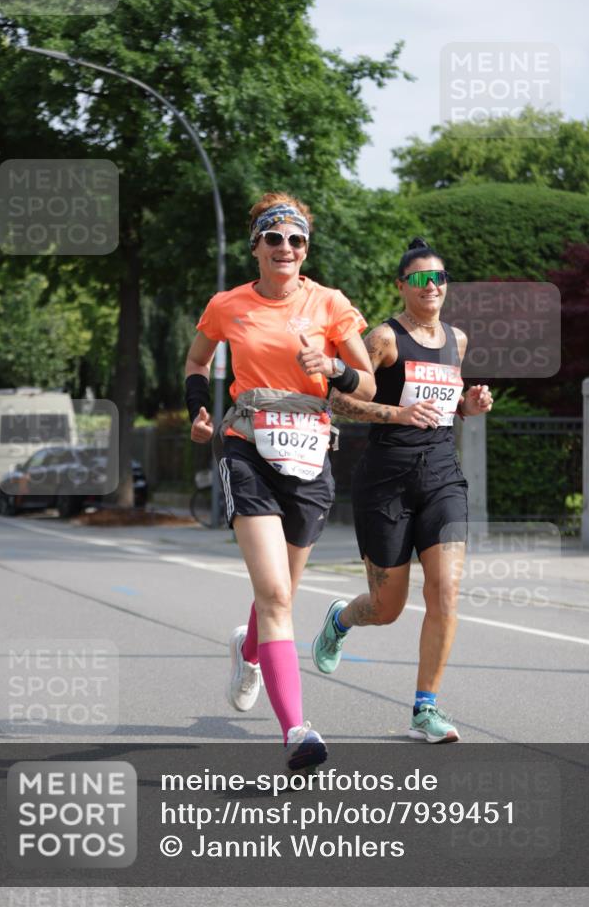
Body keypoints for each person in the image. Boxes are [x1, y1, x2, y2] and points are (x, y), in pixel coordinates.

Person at [185, 192, 374, 771]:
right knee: (274, 596)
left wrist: (335, 369)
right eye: (275, 238)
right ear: (257, 247)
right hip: (247, 450)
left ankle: (248, 652)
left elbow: (366, 384)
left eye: (297, 240)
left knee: (282, 595)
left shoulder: (331, 303)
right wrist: (199, 409)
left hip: (311, 455)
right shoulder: (228, 305)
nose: (286, 248)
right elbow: (197, 362)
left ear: (305, 249)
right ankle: (297, 729)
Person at [312, 237, 493, 743]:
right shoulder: (383, 339)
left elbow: (444, 403)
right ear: (402, 286)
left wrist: (468, 406)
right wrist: (396, 414)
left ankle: (425, 708)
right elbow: (339, 399)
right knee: (386, 607)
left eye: (438, 278)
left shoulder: (457, 340)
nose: (430, 286)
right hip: (386, 481)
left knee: (446, 593)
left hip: (441, 477)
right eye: (419, 279)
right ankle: (341, 619)